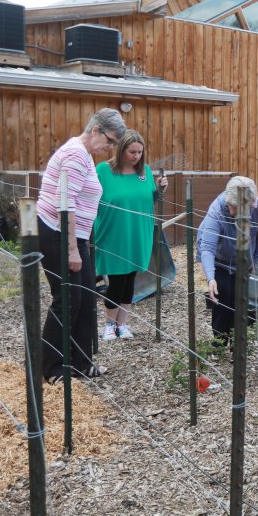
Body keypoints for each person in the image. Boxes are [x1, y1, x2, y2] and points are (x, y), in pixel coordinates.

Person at [36, 108, 127, 382]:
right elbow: (66, 204)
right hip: (59, 234)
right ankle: (51, 368)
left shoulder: (83, 153)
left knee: (86, 299)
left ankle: (81, 363)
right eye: (110, 141)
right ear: (96, 129)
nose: (110, 148)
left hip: (76, 236)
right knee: (67, 300)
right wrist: (72, 249)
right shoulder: (76, 154)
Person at [94, 129, 168, 342]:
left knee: (130, 279)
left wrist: (160, 191)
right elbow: (90, 197)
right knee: (116, 280)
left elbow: (148, 199)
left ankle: (122, 324)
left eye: (139, 152)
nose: (136, 156)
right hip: (113, 233)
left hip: (139, 232)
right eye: (132, 152)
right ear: (120, 150)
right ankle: (109, 325)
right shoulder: (104, 171)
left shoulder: (144, 172)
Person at [198, 176, 258, 343]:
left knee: (239, 299)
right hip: (220, 258)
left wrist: (254, 260)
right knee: (222, 296)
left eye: (236, 208)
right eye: (230, 206)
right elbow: (207, 248)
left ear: (250, 205)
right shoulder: (217, 210)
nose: (231, 212)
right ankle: (220, 341)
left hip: (242, 259)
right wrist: (210, 277)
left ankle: (237, 343)